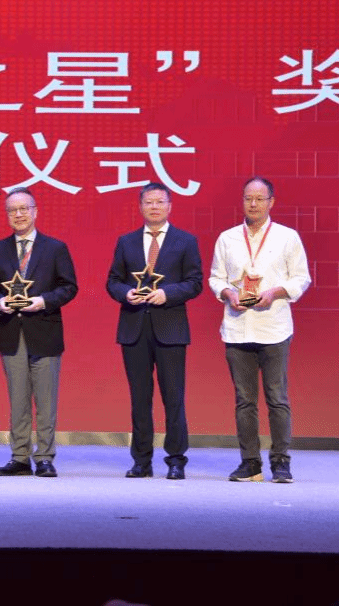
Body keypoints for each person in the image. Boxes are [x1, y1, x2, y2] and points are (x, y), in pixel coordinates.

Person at [209, 176, 310, 482]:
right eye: (248, 198)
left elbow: (301, 278)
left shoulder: (287, 237)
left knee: (277, 397)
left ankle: (281, 461)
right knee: (245, 401)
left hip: (273, 328)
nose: (253, 204)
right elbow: (216, 277)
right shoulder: (227, 238)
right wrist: (228, 293)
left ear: (271, 202)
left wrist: (275, 292)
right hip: (237, 328)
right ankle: (250, 463)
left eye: (259, 199)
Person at [106, 182, 202, 480]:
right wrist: (125, 294)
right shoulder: (127, 242)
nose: (154, 207)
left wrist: (167, 294)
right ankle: (141, 461)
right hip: (134, 328)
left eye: (160, 202)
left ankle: (176, 459)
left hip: (170, 328)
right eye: (149, 202)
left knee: (174, 397)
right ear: (140, 206)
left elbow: (195, 282)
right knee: (140, 398)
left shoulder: (185, 241)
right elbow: (113, 281)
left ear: (170, 206)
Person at [0, 188, 78, 478]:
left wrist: (44, 301)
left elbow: (69, 287)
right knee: (18, 400)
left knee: (46, 400)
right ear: (7, 215)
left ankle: (45, 457)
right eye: (12, 210)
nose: (19, 214)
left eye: (24, 208)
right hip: (11, 331)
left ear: (35, 211)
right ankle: (20, 457)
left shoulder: (55, 248)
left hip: (45, 329)